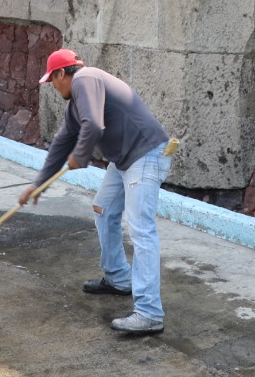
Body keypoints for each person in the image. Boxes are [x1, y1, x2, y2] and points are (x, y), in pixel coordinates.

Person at [18, 48, 172, 335]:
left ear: (62, 73)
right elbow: (62, 142)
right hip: (125, 158)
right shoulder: (75, 104)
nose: (53, 87)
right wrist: (38, 183)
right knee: (103, 209)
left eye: (52, 80)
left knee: (141, 230)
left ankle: (149, 313)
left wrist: (82, 155)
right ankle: (118, 278)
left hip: (146, 154)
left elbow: (95, 125)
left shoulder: (84, 79)